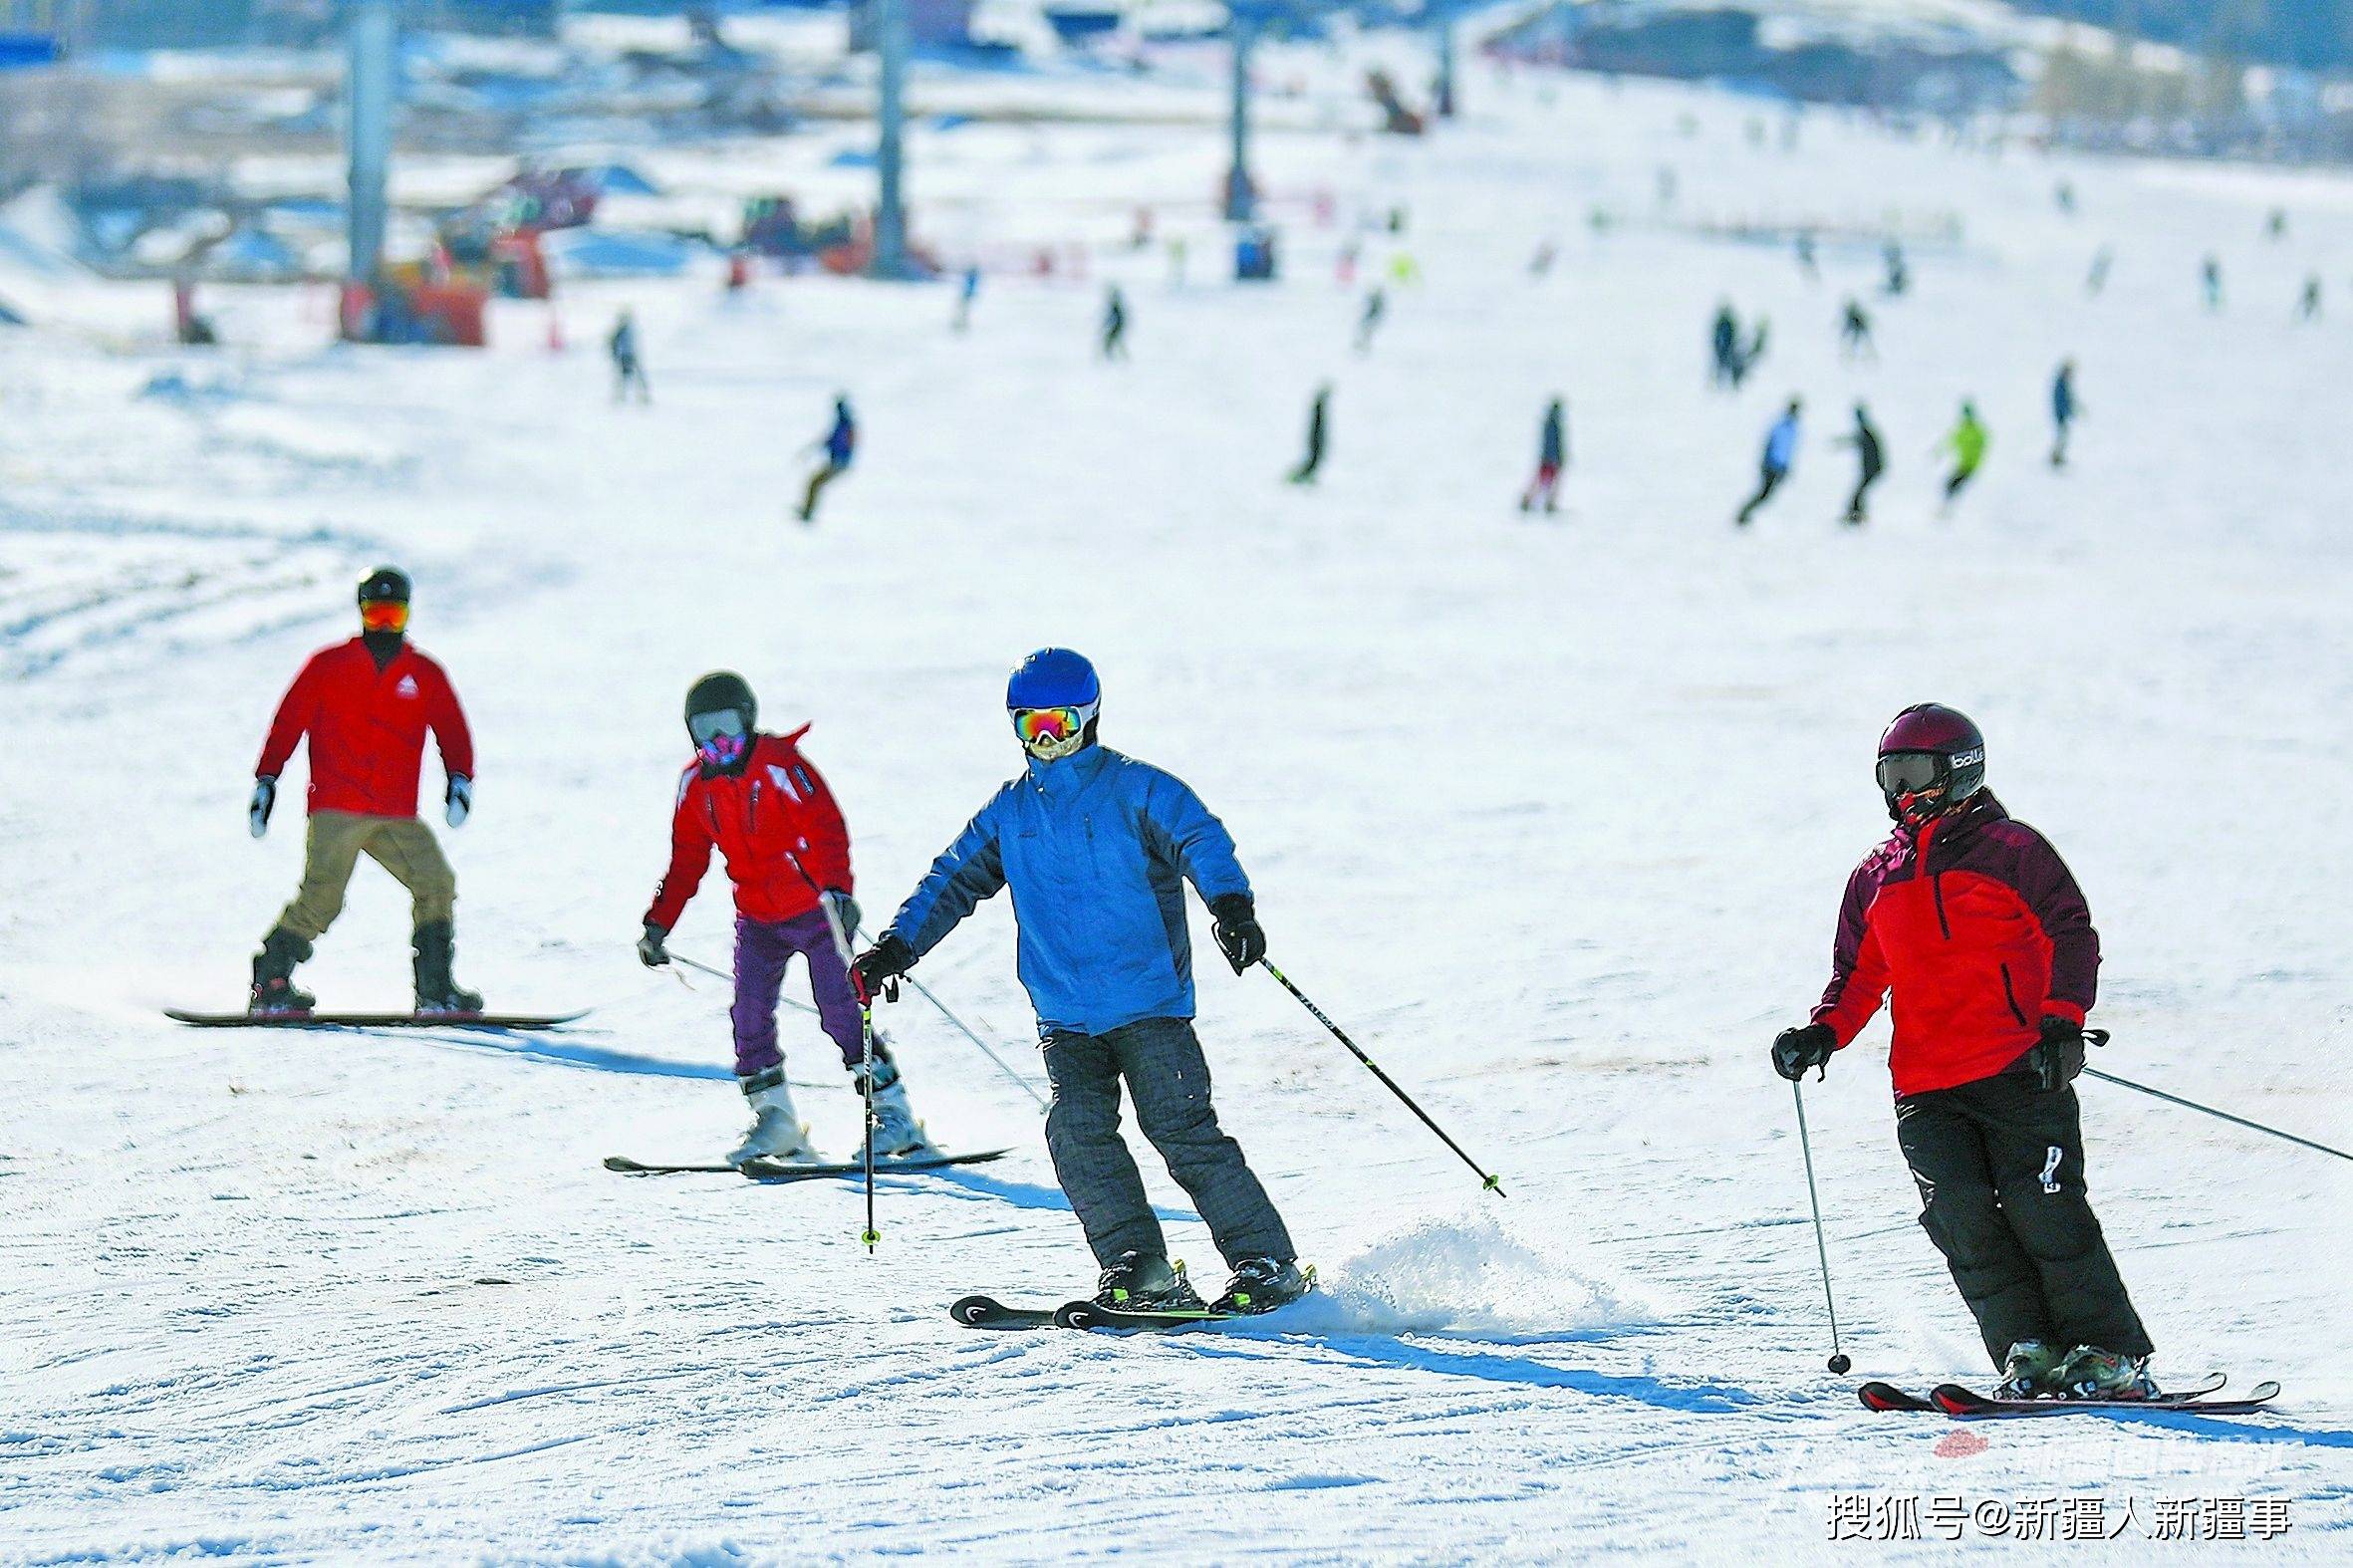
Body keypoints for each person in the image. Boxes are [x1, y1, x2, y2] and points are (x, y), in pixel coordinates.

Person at [851, 650, 1305, 1316]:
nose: (1047, 740)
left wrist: (1231, 907)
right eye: (1031, 727)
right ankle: (1137, 1262)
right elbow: (950, 881)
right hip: (1064, 1015)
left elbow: (1200, 840)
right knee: (1076, 1134)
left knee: (1180, 1130)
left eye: (1060, 724)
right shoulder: (1010, 813)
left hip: (1148, 1003)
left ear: (1089, 718)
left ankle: (1265, 1263)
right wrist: (895, 947)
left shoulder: (1136, 789)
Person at [1772, 704, 2155, 1401]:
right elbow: (1859, 976)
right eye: (1890, 774)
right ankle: (2027, 1352)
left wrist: (2063, 1023)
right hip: (1924, 1087)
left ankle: (2109, 1352)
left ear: (1960, 770)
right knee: (1963, 1218)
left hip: (2018, 1067)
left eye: (1915, 772)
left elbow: (2071, 933)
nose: (1901, 790)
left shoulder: (2012, 850)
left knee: (2042, 1208)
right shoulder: (1875, 876)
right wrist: (1822, 1033)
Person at [638, 672, 922, 1165]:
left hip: (815, 911)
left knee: (839, 1008)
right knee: (748, 1018)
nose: (717, 743)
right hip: (757, 919)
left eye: (727, 728)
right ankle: (776, 1119)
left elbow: (828, 827)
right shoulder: (695, 786)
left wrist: (839, 890)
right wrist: (658, 923)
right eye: (704, 732)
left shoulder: (781, 767)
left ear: (748, 721)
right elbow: (687, 860)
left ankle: (892, 1114)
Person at [248, 568, 478, 1015]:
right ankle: (271, 981)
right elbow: (288, 721)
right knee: (322, 898)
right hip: (338, 805)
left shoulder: (423, 672)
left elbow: (452, 729)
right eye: (377, 614)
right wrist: (267, 778)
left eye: (395, 614)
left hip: (394, 810)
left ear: (408, 614)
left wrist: (460, 778)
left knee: (436, 882)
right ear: (362, 613)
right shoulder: (328, 665)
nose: (386, 624)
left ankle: (435, 990)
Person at [1736, 399, 1801, 526]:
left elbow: (1788, 450)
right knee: (1764, 494)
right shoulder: (1781, 426)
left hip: (1780, 466)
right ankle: (1742, 515)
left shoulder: (1793, 428)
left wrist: (1786, 467)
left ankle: (1744, 514)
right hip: (1771, 465)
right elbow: (1769, 444)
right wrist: (1765, 462)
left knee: (1766, 495)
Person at [798, 395, 856, 524]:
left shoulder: (846, 425)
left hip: (839, 463)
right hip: (837, 462)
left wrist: (831, 447)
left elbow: (842, 443)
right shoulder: (843, 424)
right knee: (815, 483)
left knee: (815, 483)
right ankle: (807, 512)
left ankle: (808, 513)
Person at [1832, 402, 1883, 525]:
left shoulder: (1866, 433)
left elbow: (1858, 441)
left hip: (1872, 470)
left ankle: (1856, 517)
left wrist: (1842, 442)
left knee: (1858, 495)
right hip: (1871, 470)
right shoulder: (1867, 432)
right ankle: (1857, 516)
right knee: (1859, 494)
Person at [1519, 396, 1567, 514]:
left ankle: (1532, 501)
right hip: (1551, 458)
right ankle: (1544, 503)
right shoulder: (1554, 424)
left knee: (1543, 481)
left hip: (1546, 457)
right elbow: (1554, 442)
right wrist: (1556, 457)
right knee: (1549, 482)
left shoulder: (1549, 422)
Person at [1940, 401, 1988, 507]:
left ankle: (1949, 507)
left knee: (1954, 485)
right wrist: (1938, 452)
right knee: (1950, 485)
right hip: (1963, 464)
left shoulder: (1977, 432)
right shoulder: (1962, 431)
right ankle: (1946, 506)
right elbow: (1950, 442)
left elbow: (1982, 446)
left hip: (1970, 465)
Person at [1288, 385, 1330, 485]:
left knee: (1315, 456)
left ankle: (1299, 477)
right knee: (1315, 456)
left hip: (1316, 440)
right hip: (1316, 441)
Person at [609, 309, 650, 404]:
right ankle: (621, 396)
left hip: (629, 355)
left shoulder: (624, 329)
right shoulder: (621, 331)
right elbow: (615, 344)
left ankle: (624, 396)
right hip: (626, 356)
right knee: (629, 377)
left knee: (629, 377)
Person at [2048, 364, 2079, 469]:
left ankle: (2057, 456)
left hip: (2061, 413)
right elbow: (2061, 400)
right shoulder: (2061, 383)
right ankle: (2055, 457)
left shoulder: (2063, 383)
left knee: (2063, 435)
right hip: (2060, 414)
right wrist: (2067, 412)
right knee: (2062, 435)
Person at [1710, 304, 1740, 389]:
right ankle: (1718, 383)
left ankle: (1732, 383)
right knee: (1721, 365)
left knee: (1727, 364)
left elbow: (1732, 335)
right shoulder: (1721, 323)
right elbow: (1716, 336)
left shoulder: (1728, 323)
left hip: (1727, 347)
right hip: (1722, 347)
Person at [1839, 299, 1876, 363]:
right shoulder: (1854, 313)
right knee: (1861, 342)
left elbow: (1848, 325)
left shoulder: (1854, 313)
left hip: (1860, 328)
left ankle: (1868, 355)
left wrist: (1844, 333)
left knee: (1863, 342)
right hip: (1859, 328)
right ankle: (1854, 356)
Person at [1354, 287, 1387, 354]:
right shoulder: (1375, 300)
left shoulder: (1377, 301)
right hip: (1370, 319)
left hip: (1371, 319)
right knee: (1365, 331)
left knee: (1367, 331)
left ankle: (1363, 345)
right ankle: (1363, 344)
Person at [1101, 285, 1128, 361]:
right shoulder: (1116, 305)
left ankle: (1112, 358)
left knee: (1111, 341)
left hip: (1117, 326)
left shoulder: (1115, 305)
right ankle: (1121, 357)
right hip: (1118, 326)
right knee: (1115, 341)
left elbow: (1114, 317)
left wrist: (1106, 324)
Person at [954, 264, 980, 332]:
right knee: (962, 309)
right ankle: (961, 323)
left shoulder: (972, 277)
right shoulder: (972, 277)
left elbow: (968, 286)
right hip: (967, 294)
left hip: (967, 294)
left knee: (963, 309)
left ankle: (962, 324)